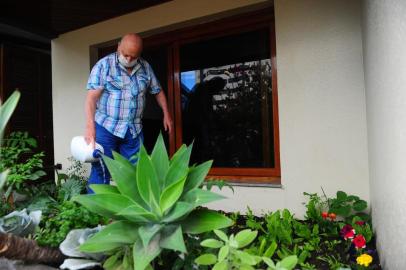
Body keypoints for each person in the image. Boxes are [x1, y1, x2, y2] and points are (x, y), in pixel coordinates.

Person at [85, 33, 173, 192]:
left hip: (133, 129)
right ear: (118, 46)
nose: (128, 59)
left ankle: (132, 213)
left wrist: (166, 114)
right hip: (106, 127)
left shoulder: (145, 67)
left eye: (133, 56)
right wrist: (90, 128)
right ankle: (95, 214)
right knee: (101, 169)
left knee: (136, 173)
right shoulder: (104, 65)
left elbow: (157, 91)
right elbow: (91, 99)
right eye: (125, 54)